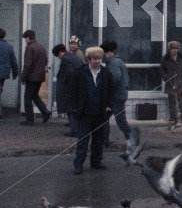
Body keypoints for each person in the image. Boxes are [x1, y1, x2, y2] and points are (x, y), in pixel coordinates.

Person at [71, 46, 113, 174]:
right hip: (85, 113)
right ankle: (78, 164)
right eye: (94, 59)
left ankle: (96, 162)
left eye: (99, 58)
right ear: (89, 59)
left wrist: (109, 105)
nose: (97, 61)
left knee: (98, 140)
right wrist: (75, 108)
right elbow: (73, 91)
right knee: (83, 140)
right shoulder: (80, 73)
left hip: (100, 113)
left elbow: (111, 91)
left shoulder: (106, 74)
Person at [101, 40, 138, 152]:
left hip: (116, 96)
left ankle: (133, 139)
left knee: (120, 120)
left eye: (107, 52)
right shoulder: (118, 61)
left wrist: (107, 88)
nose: (105, 54)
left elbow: (115, 78)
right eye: (104, 52)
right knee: (104, 117)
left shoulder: (113, 63)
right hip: (119, 94)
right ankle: (104, 140)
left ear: (113, 52)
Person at [20, 30, 51, 126]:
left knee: (27, 97)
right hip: (40, 75)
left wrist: (23, 77)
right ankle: (44, 111)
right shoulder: (41, 47)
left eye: (25, 38)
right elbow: (45, 61)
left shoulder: (30, 48)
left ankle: (30, 119)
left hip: (31, 76)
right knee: (34, 95)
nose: (25, 40)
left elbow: (28, 64)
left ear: (28, 38)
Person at [52, 43, 83, 138]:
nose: (59, 57)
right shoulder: (75, 57)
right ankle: (79, 129)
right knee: (76, 110)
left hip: (70, 89)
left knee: (70, 110)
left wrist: (64, 82)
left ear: (60, 53)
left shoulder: (65, 59)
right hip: (79, 87)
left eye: (58, 55)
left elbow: (69, 73)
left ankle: (74, 131)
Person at [159, 40, 182, 129]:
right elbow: (162, 70)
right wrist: (166, 78)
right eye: (173, 49)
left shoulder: (181, 58)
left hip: (179, 82)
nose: (174, 51)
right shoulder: (166, 58)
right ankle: (173, 118)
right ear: (170, 49)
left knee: (181, 100)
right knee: (171, 100)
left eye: (176, 49)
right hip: (170, 82)